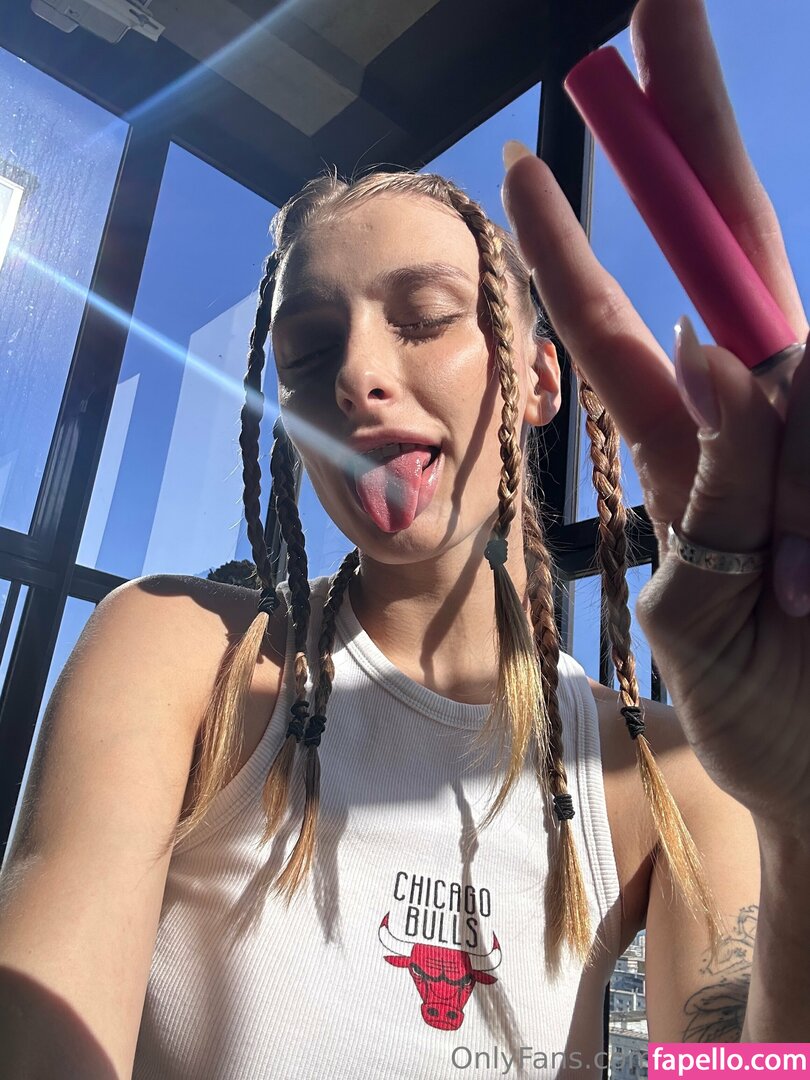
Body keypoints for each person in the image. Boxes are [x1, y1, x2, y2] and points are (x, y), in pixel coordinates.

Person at [1, 1, 808, 1078]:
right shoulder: (179, 658)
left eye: (424, 317)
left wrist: (800, 823)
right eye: (308, 353)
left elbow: (741, 1063)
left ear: (538, 380)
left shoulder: (660, 773)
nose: (354, 377)